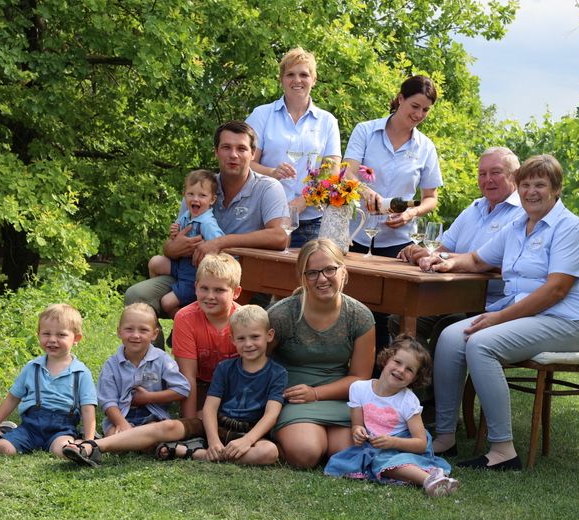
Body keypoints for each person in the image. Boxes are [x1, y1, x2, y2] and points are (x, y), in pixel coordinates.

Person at [419, 154, 579, 469]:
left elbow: (557, 290)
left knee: (482, 343)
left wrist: (499, 318)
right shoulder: (518, 226)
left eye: (540, 185)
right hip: (530, 316)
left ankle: (503, 450)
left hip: (570, 321)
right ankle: (445, 436)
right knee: (450, 337)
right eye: (526, 184)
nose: (531, 191)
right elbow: (477, 260)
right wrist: (444, 262)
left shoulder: (567, 226)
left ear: (556, 189)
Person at [61, 254, 244, 466]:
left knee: (196, 424)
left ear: (236, 292)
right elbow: (188, 378)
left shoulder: (243, 319)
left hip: (231, 395)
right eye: (204, 288)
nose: (210, 296)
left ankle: (109, 445)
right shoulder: (186, 317)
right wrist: (190, 423)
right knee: (191, 422)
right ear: (195, 287)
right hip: (202, 388)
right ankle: (100, 445)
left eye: (219, 290)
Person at [125, 120, 289, 341]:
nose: (234, 155)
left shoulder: (268, 188)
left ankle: (193, 340)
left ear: (252, 154)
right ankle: (156, 365)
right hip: (192, 273)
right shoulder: (201, 188)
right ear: (216, 152)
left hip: (239, 281)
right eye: (226, 148)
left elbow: (280, 237)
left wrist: (221, 243)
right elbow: (170, 246)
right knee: (137, 295)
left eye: (241, 148)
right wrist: (174, 247)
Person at [343, 74, 443, 349]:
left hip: (398, 244)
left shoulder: (425, 147)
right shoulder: (366, 131)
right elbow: (347, 172)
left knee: (384, 317)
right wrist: (364, 191)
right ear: (400, 98)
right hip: (357, 237)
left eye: (425, 110)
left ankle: (378, 380)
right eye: (415, 106)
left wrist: (411, 214)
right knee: (349, 309)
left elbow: (431, 198)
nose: (419, 114)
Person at [392, 147, 523, 343]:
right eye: (482, 174)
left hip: (494, 304)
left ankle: (433, 373)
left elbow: (513, 265)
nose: (488, 179)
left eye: (495, 172)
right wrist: (420, 252)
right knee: (399, 320)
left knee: (448, 325)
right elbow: (441, 250)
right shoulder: (474, 208)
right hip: (452, 297)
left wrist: (457, 262)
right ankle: (421, 372)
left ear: (514, 176)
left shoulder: (523, 213)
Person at [268, 238, 375, 468]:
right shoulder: (282, 314)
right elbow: (257, 360)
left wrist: (316, 394)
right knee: (306, 454)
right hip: (293, 397)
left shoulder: (360, 316)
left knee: (348, 452)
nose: (322, 279)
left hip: (338, 396)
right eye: (313, 273)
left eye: (330, 270)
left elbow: (360, 378)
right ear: (302, 277)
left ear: (343, 271)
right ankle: (279, 439)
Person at [324, 335, 459, 497]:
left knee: (385, 461)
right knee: (369, 460)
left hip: (402, 445)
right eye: (397, 362)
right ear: (386, 359)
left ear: (415, 378)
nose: (401, 370)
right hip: (376, 446)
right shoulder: (359, 389)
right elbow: (357, 424)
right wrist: (358, 431)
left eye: (409, 369)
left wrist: (392, 442)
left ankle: (430, 480)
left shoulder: (408, 401)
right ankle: (433, 480)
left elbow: (421, 443)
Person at [157, 305, 288, 465]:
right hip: (220, 426)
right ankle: (210, 449)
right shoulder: (225, 367)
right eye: (241, 338)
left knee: (269, 452)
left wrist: (247, 440)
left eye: (255, 337)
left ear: (269, 335)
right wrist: (213, 441)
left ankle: (195, 453)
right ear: (232, 339)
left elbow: (271, 415)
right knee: (181, 422)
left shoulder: (278, 373)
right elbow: (210, 408)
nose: (248, 344)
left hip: (250, 432)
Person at [246, 47, 340, 247]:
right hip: (265, 218)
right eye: (290, 74)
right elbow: (245, 164)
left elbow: (332, 173)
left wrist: (303, 202)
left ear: (314, 79)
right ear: (281, 80)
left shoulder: (327, 121)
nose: (297, 80)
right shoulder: (262, 115)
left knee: (308, 277)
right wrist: (271, 172)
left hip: (311, 222)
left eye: (304, 74)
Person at [0, 304, 97, 457]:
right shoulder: (32, 368)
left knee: (62, 451)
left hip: (61, 430)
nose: (52, 340)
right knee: (6, 449)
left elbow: (88, 409)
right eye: (46, 334)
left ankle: (76, 443)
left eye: (61, 335)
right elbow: (13, 398)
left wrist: (89, 441)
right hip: (29, 429)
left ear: (76, 338)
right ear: (38, 334)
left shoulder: (81, 373)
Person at [94, 303, 190, 437]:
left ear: (154, 334)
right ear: (119, 331)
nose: (135, 335)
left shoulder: (162, 360)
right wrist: (122, 423)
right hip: (121, 416)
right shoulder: (112, 365)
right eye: (129, 329)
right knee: (113, 434)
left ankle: (134, 441)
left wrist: (148, 398)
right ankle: (143, 443)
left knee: (157, 430)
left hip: (154, 416)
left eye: (143, 330)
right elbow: (107, 401)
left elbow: (182, 389)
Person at [148, 170, 225, 317]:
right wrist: (174, 233)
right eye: (191, 194)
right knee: (155, 262)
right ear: (185, 195)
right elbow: (174, 239)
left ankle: (185, 323)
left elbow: (219, 248)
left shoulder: (207, 224)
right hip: (180, 265)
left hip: (193, 274)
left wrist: (204, 249)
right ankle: (165, 289)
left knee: (166, 303)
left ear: (212, 200)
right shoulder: (187, 215)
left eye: (202, 195)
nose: (195, 199)